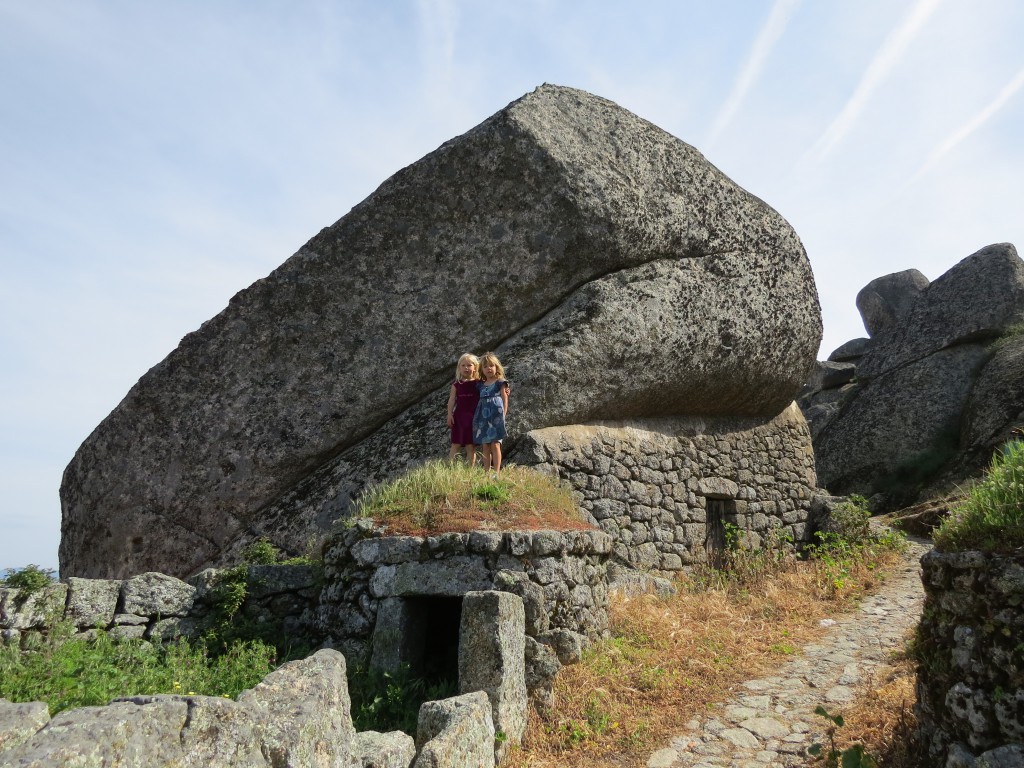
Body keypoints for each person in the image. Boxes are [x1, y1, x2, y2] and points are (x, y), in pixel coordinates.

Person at [473, 352, 510, 475]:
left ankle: (497, 472)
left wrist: (503, 414)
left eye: (491, 366)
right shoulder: (480, 385)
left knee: (495, 445)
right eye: (485, 366)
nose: (489, 368)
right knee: (485, 446)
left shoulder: (501, 382)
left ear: (496, 367)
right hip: (483, 418)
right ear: (481, 370)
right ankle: (486, 473)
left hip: (496, 418)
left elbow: (505, 399)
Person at [446, 353, 480, 464]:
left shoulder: (479, 383)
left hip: (473, 417)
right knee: (455, 444)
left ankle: (470, 470)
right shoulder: (456, 384)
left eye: (469, 365)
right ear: (459, 368)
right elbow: (452, 400)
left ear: (475, 367)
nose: (466, 368)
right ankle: (450, 469)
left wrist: (505, 390)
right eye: (463, 365)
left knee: (471, 446)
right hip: (459, 417)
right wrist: (449, 414)